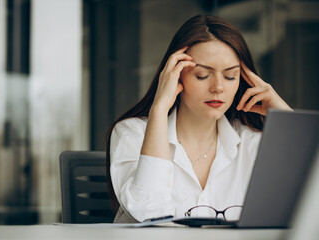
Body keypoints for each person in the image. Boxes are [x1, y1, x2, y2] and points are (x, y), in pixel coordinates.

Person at [105, 15, 292, 223]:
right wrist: (159, 108)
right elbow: (148, 215)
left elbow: (308, 206)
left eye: (230, 76)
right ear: (175, 75)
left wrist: (286, 119)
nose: (218, 87)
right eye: (202, 75)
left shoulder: (253, 142)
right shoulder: (132, 133)